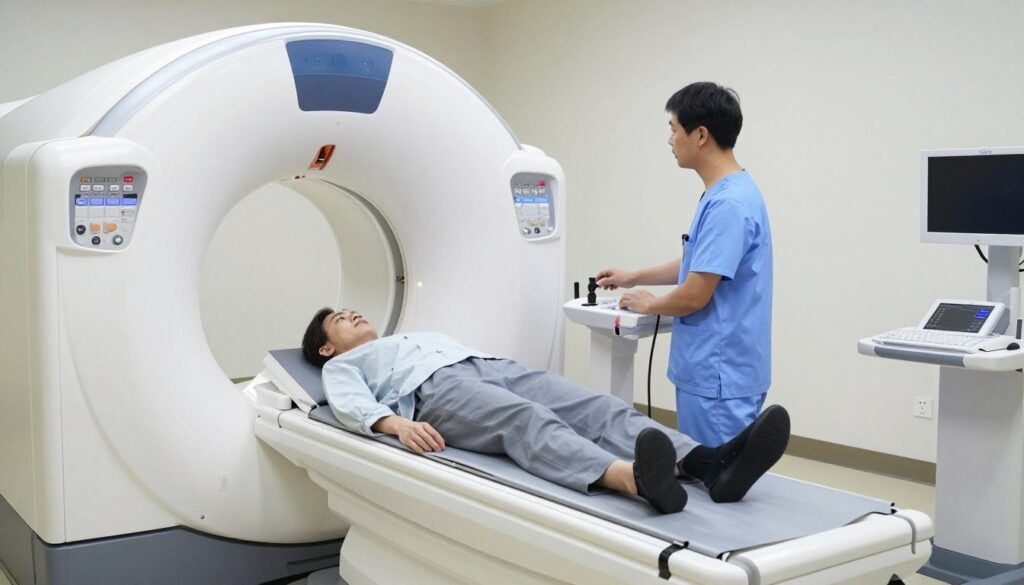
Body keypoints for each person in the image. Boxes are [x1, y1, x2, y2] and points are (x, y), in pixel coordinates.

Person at [301, 307, 790, 514]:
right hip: (435, 391)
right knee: (526, 420)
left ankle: (706, 465)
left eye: (350, 310)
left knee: (597, 406)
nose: (352, 315)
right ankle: (634, 480)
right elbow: (349, 405)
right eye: (338, 321)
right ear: (327, 349)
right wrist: (397, 424)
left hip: (488, 364)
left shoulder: (410, 334)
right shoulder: (345, 366)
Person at [597, 82, 772, 446]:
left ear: (701, 135)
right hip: (719, 371)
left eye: (674, 129)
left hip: (718, 375)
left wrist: (650, 303)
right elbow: (701, 262)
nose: (670, 140)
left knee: (716, 486)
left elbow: (695, 295)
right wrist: (635, 277)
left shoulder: (728, 205)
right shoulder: (730, 191)